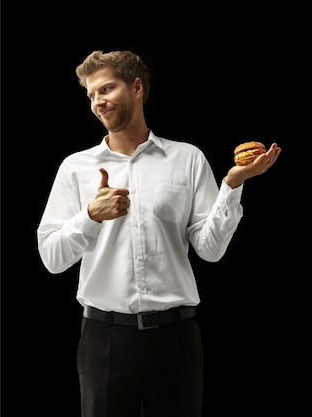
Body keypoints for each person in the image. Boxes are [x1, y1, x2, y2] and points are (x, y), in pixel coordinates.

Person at [36, 50, 281, 417]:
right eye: (90, 95)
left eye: (106, 89)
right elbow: (52, 258)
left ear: (136, 87)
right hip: (104, 339)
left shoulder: (188, 159)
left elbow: (210, 250)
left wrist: (231, 185)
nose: (97, 102)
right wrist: (90, 216)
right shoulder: (75, 168)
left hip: (176, 339)